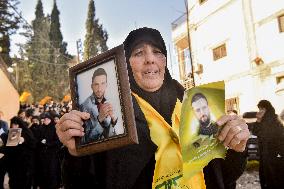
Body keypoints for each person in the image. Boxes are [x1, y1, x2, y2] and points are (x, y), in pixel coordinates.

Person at [56, 27, 250, 189]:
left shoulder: (196, 105)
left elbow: (223, 176)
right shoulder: (114, 118)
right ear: (125, 64)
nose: (150, 59)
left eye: (157, 51)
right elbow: (82, 183)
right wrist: (75, 153)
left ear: (164, 60)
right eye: (139, 53)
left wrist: (237, 148)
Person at [251, 100, 284, 189]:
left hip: (276, 155)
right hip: (265, 155)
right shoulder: (262, 120)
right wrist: (258, 120)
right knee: (266, 177)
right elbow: (255, 132)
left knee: (275, 178)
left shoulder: (275, 119)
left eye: (262, 108)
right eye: (259, 108)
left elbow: (278, 137)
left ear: (267, 109)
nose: (260, 111)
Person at [80, 68, 118, 143]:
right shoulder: (84, 107)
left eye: (103, 83)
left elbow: (112, 135)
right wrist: (99, 120)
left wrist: (113, 122)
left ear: (106, 85)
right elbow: (85, 141)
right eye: (96, 84)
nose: (99, 89)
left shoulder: (113, 101)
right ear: (92, 86)